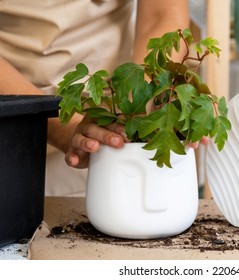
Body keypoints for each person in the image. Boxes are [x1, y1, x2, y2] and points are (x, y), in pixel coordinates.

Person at [0, 0, 199, 196]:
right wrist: (64, 127)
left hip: (103, 130)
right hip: (7, 120)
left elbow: (162, 13)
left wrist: (140, 97)